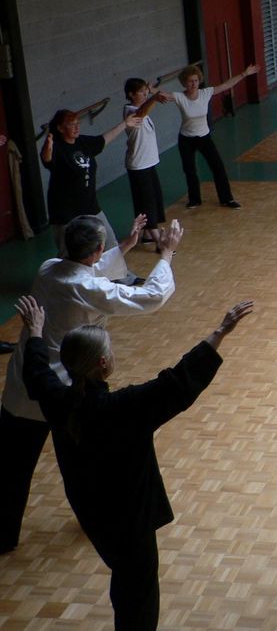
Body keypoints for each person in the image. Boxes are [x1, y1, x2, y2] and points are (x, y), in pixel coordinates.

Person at [18, 295, 253, 630]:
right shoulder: (123, 409)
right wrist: (220, 331)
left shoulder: (58, 401)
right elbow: (177, 383)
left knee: (125, 581)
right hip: (129, 522)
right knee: (138, 595)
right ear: (102, 363)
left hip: (92, 512)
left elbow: (37, 372)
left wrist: (35, 331)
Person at [0, 214, 182, 554]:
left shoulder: (48, 267)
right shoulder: (89, 289)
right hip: (67, 392)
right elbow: (150, 296)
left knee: (10, 469)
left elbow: (82, 270)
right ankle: (94, 521)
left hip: (27, 380)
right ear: (97, 251)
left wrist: (124, 246)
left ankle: (2, 535)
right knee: (78, 469)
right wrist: (166, 253)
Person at [40, 108, 141, 263]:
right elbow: (47, 159)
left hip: (89, 205)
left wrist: (125, 124)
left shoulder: (83, 142)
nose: (77, 127)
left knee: (109, 242)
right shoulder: (57, 147)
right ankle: (65, 283)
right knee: (67, 251)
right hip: (65, 210)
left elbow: (104, 139)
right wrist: (47, 146)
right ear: (60, 128)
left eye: (77, 123)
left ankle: (119, 276)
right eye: (71, 124)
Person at [165, 63, 259, 209]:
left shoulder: (205, 93)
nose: (193, 83)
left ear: (199, 81)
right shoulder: (179, 97)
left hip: (204, 137)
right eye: (190, 81)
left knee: (218, 167)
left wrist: (244, 74)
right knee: (189, 170)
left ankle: (227, 199)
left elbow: (226, 85)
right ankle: (194, 199)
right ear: (184, 82)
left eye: (196, 80)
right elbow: (163, 95)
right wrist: (148, 89)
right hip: (186, 139)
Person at [123, 78, 168, 246]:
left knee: (153, 198)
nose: (145, 94)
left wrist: (153, 94)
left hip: (148, 163)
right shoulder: (130, 111)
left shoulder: (142, 110)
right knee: (146, 201)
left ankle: (147, 234)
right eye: (141, 92)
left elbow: (146, 109)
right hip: (139, 164)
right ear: (131, 94)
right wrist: (154, 98)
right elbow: (141, 112)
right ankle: (158, 241)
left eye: (145, 91)